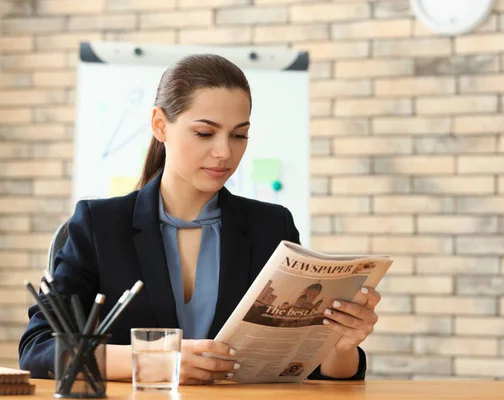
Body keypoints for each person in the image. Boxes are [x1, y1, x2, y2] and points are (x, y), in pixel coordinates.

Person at [18, 54, 381, 384]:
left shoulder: (272, 227)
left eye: (239, 135)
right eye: (205, 133)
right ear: (160, 125)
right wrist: (156, 360)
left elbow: (306, 368)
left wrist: (341, 346)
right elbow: (38, 349)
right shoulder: (99, 224)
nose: (224, 152)